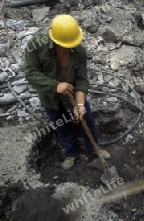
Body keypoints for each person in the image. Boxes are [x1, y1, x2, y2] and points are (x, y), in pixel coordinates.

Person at [23, 14, 110, 170]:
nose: (68, 47)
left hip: (73, 94)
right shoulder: (36, 45)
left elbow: (82, 80)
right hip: (51, 98)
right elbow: (30, 72)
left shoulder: (79, 51)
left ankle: (94, 148)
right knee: (61, 126)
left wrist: (80, 104)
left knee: (87, 120)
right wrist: (55, 85)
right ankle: (71, 153)